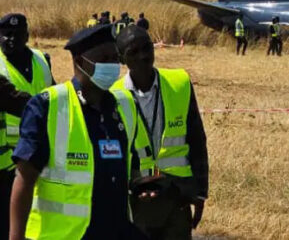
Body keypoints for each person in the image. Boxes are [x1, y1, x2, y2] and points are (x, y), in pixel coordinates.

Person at [9, 23, 153, 240]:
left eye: (114, 58)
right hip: (62, 235)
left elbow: (129, 169)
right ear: (79, 62)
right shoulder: (49, 106)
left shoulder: (125, 105)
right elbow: (24, 180)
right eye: (103, 59)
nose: (112, 65)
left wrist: (143, 187)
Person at [114, 25, 209, 240]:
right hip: (137, 201)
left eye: (147, 48)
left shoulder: (179, 84)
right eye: (133, 52)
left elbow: (196, 139)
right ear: (122, 59)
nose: (144, 56)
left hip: (177, 197)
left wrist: (200, 192)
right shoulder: (114, 97)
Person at [0, 14, 55, 239]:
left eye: (17, 34)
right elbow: (10, 98)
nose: (11, 39)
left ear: (27, 36)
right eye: (6, 35)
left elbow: (52, 91)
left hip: (40, 153)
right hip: (9, 160)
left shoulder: (42, 60)